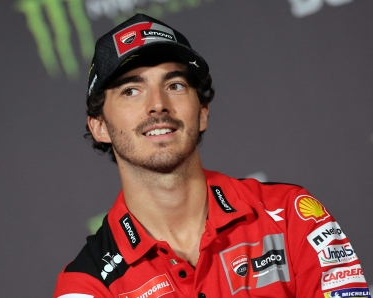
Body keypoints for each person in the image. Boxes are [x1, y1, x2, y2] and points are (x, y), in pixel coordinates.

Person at [53, 14, 370, 298]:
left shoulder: (289, 215)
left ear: (202, 112)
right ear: (100, 127)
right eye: (131, 91)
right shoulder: (87, 285)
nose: (158, 104)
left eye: (175, 85)